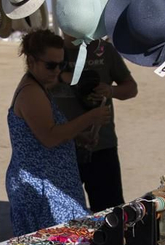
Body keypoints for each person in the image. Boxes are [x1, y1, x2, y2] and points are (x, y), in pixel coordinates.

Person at [7, 30, 110, 245]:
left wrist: (79, 141)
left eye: (61, 65)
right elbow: (49, 137)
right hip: (39, 189)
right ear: (32, 61)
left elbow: (50, 138)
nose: (56, 72)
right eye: (50, 66)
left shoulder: (40, 88)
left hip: (51, 184)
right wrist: (89, 120)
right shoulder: (30, 93)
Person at [48, 35, 137, 211]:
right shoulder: (53, 51)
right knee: (62, 213)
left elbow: (131, 88)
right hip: (61, 148)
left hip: (101, 146)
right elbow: (37, 85)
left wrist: (110, 90)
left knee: (109, 212)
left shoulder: (104, 50)